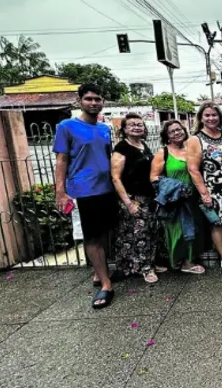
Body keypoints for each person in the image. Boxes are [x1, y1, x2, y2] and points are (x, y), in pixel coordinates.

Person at [54, 83, 117, 309]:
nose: (93, 103)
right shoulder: (66, 127)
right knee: (91, 236)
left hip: (106, 189)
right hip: (83, 191)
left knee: (105, 233)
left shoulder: (104, 129)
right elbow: (61, 160)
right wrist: (60, 192)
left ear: (103, 102)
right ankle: (106, 284)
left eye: (97, 99)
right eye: (89, 99)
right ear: (80, 100)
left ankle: (99, 273)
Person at [187, 102, 222, 275]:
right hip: (212, 188)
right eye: (207, 115)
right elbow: (193, 169)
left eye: (214, 115)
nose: (211, 118)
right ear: (201, 118)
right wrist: (204, 193)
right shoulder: (196, 139)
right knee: (218, 224)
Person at [110, 113, 163, 284]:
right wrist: (128, 203)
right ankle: (144, 268)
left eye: (140, 124)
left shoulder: (142, 145)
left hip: (147, 196)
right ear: (124, 129)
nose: (136, 127)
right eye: (132, 124)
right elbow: (116, 178)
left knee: (150, 231)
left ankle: (150, 263)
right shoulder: (121, 149)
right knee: (138, 234)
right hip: (132, 197)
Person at [150, 120, 205, 275]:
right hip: (174, 201)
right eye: (172, 131)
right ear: (166, 136)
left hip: (192, 199)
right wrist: (176, 187)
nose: (177, 133)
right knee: (177, 231)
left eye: (179, 129)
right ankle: (176, 261)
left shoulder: (191, 150)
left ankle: (188, 262)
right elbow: (153, 177)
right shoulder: (163, 153)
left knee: (191, 230)